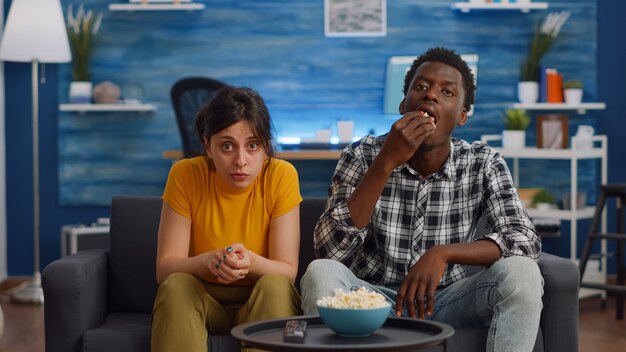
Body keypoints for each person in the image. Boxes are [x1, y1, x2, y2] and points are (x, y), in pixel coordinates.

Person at [300, 47, 543, 351]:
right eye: (421, 87)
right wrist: (385, 162)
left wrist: (442, 253)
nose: (431, 96)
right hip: (369, 301)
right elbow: (330, 252)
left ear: (463, 115)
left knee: (523, 272)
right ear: (404, 104)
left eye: (447, 92)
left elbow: (524, 239)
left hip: (449, 301)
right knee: (319, 273)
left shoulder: (483, 162)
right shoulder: (361, 155)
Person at [151, 86, 302, 351]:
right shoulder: (185, 174)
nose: (241, 160)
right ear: (208, 146)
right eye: (227, 146)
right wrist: (208, 261)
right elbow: (164, 269)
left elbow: (287, 272)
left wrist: (251, 261)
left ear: (266, 147)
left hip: (260, 298)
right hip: (202, 298)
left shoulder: (282, 175)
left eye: (252, 145)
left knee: (276, 286)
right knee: (176, 285)